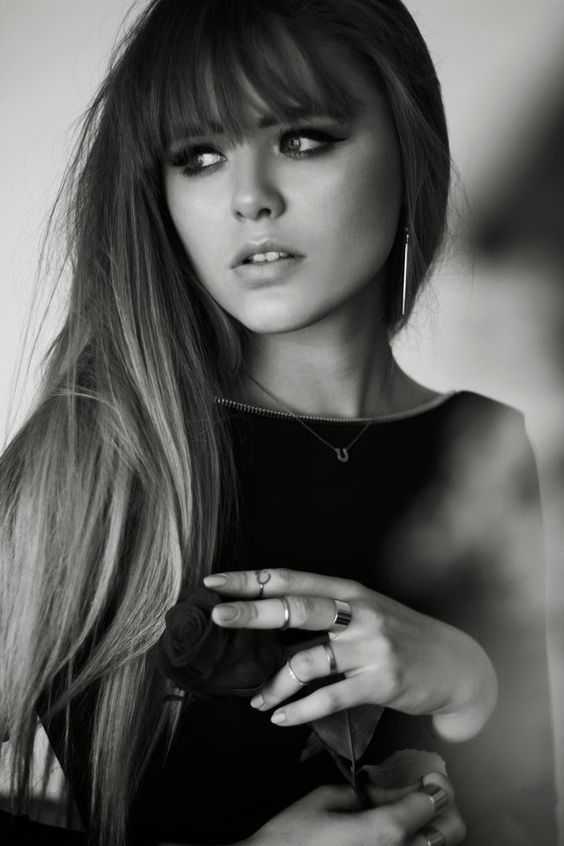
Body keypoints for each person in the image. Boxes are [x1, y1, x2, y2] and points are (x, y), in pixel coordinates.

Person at [0, 1, 556, 845]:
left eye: (302, 139)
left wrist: (473, 689)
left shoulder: (497, 449)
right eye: (199, 156)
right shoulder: (92, 461)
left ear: (410, 143)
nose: (249, 199)